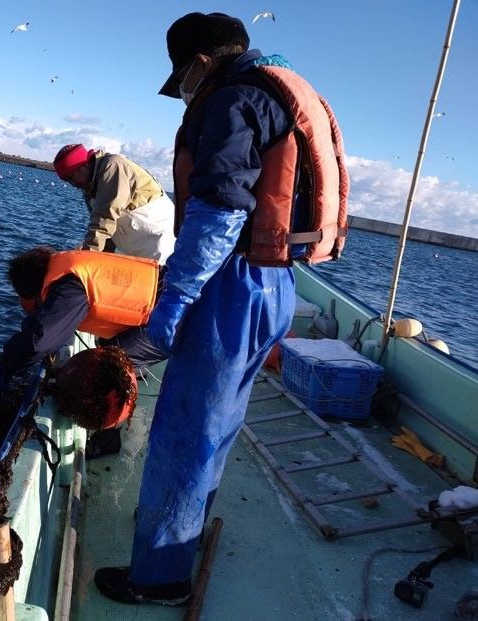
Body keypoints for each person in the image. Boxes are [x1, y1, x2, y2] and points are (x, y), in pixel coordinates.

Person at [94, 11, 348, 605]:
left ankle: (159, 576)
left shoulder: (232, 100)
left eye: (179, 78)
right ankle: (184, 532)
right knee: (219, 422)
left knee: (185, 427)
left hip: (230, 286)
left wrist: (171, 310)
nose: (181, 90)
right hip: (277, 288)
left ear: (200, 64)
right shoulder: (276, 92)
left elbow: (218, 213)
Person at [0, 246, 166, 390]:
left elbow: (40, 341)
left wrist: (5, 365)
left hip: (171, 315)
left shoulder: (69, 286)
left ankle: (111, 416)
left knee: (106, 366)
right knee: (105, 349)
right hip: (166, 295)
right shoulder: (67, 265)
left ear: (32, 292)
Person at [53, 144, 176, 265]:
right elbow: (104, 231)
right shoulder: (88, 187)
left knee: (159, 280)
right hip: (130, 246)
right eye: (66, 180)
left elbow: (104, 219)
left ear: (83, 166)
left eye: (70, 177)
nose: (72, 184)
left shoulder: (112, 167)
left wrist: (85, 261)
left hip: (156, 238)